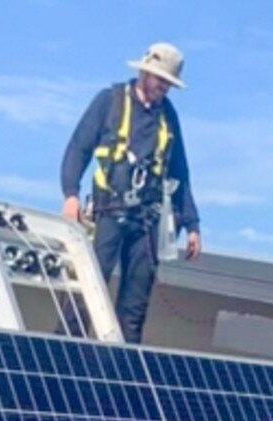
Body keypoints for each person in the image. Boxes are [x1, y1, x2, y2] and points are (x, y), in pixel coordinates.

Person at [60, 41, 201, 344]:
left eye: (168, 84)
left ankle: (120, 376)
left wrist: (192, 224)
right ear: (144, 73)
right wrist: (71, 194)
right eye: (160, 80)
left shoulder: (168, 117)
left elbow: (180, 172)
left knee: (134, 310)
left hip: (147, 223)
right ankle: (59, 360)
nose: (163, 88)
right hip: (107, 213)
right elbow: (78, 148)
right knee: (86, 294)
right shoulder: (109, 101)